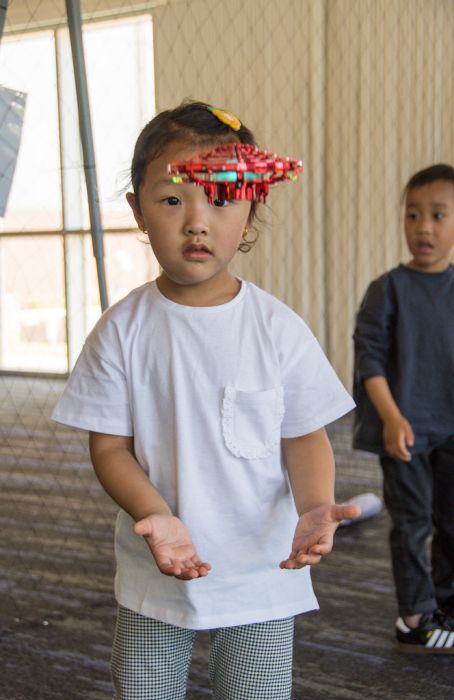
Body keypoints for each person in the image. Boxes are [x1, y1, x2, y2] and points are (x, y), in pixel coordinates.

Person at [53, 100, 359, 699]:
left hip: (261, 570)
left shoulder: (277, 328)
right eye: (172, 200)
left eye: (220, 199)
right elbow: (111, 448)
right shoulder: (122, 329)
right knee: (143, 691)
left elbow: (303, 435)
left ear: (250, 211)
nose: (198, 221)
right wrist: (157, 515)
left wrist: (315, 504)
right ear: (137, 211)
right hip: (156, 565)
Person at [353, 163, 454, 654]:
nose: (424, 227)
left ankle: (446, 609)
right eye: (413, 215)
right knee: (413, 522)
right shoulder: (387, 289)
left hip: (450, 429)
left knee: (452, 522)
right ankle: (415, 616)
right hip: (406, 430)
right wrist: (392, 417)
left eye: (438, 215)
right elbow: (368, 357)